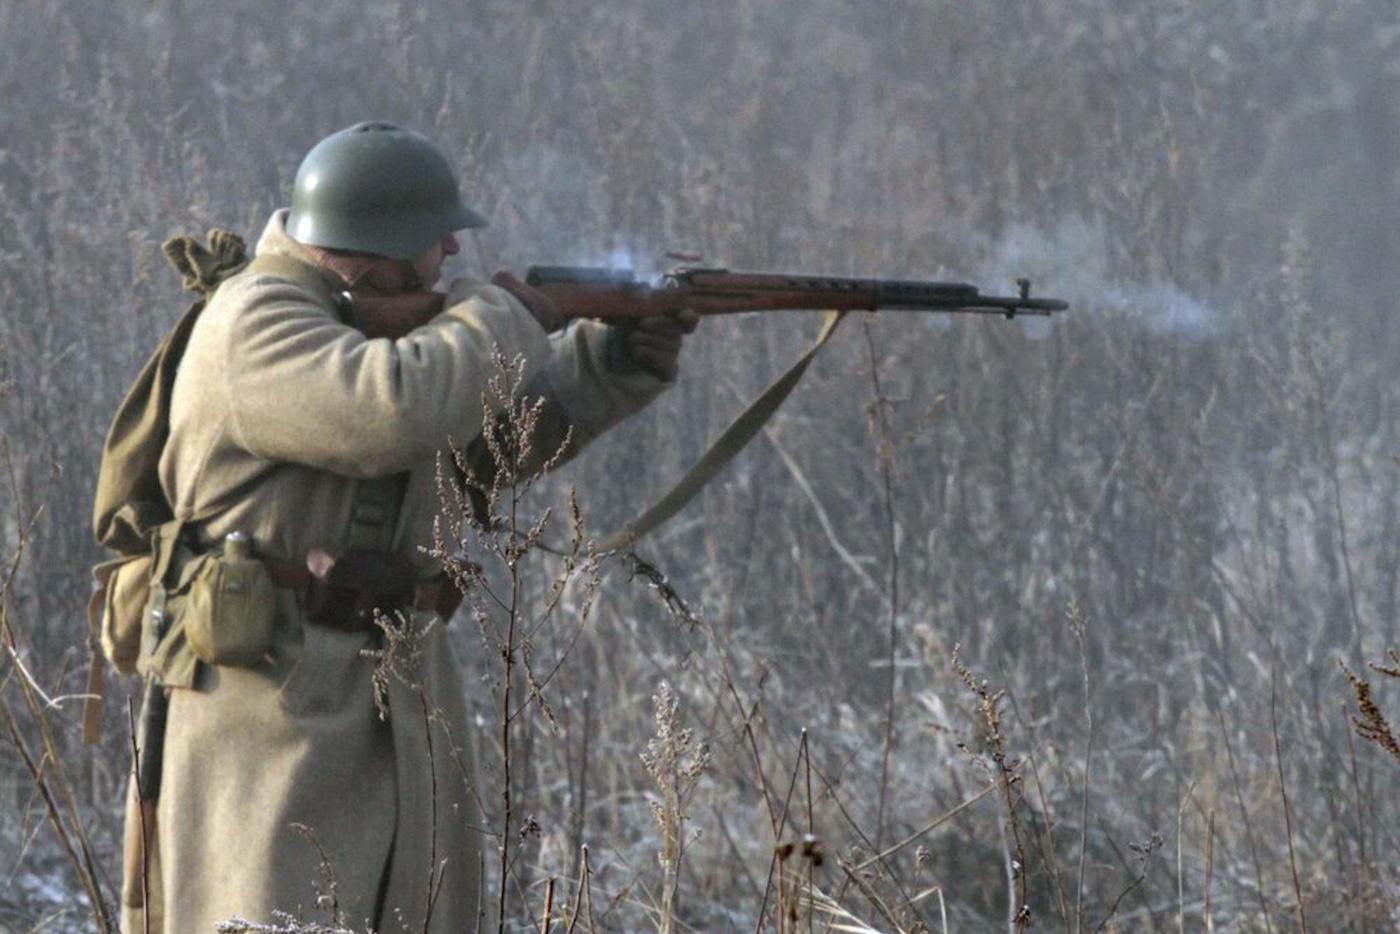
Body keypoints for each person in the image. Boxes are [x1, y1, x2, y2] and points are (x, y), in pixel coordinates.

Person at [121, 120, 696, 933]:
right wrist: (514, 315)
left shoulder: (380, 331)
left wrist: (613, 359)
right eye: (436, 238)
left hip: (393, 696)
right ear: (376, 251)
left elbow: (490, 445)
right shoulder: (255, 319)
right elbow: (388, 410)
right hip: (269, 709)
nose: (454, 256)